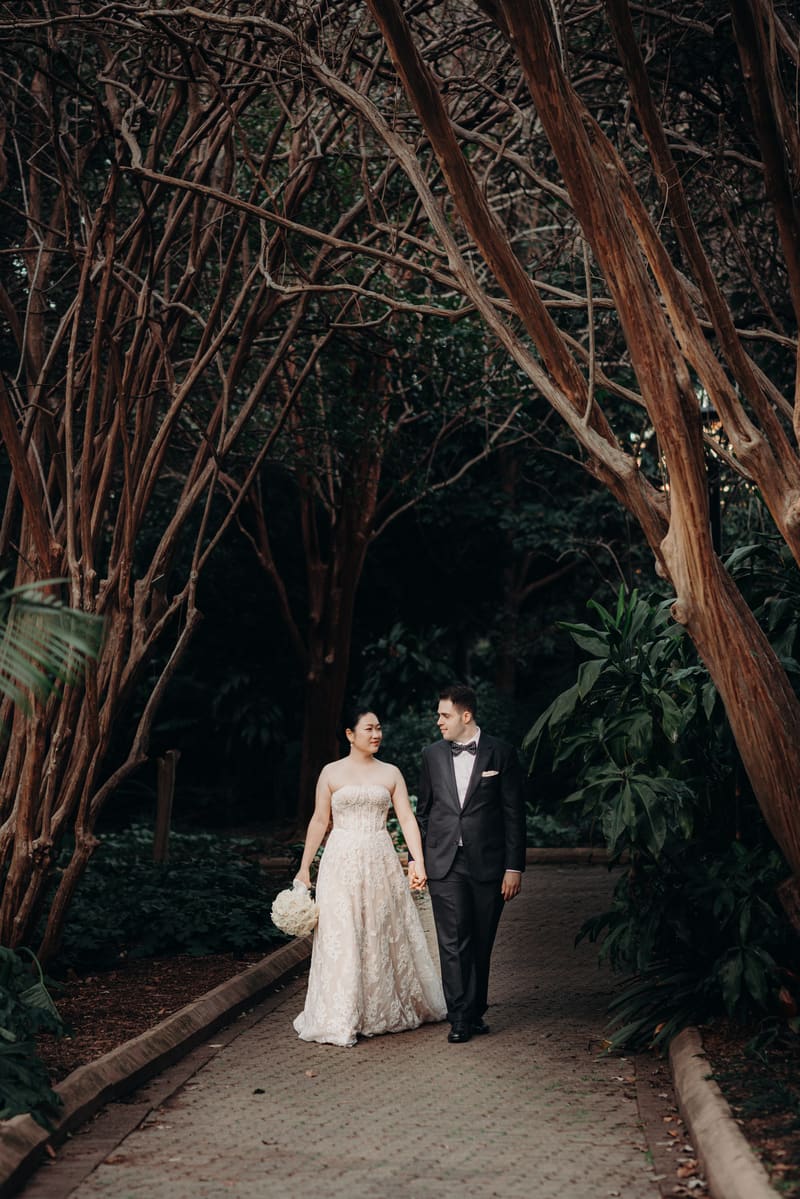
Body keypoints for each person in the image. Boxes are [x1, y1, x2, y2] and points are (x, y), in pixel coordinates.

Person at [293, 708, 446, 1047]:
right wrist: (305, 867)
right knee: (343, 931)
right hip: (340, 861)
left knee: (380, 930)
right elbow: (320, 820)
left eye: (379, 728)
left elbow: (407, 818)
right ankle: (341, 1012)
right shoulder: (330, 773)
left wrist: (417, 861)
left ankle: (380, 1008)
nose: (376, 734)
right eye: (369, 729)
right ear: (350, 734)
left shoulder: (390, 773)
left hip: (380, 858)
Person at [409, 683, 526, 1043]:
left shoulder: (501, 753)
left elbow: (513, 814)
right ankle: (459, 1017)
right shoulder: (431, 755)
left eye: (444, 715)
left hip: (490, 865)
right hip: (445, 864)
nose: (438, 721)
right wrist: (424, 856)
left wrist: (514, 867)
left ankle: (475, 1011)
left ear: (466, 715)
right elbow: (424, 810)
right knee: (452, 942)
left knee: (481, 940)